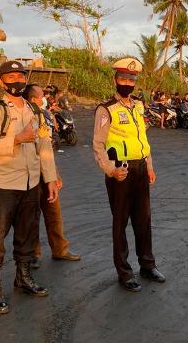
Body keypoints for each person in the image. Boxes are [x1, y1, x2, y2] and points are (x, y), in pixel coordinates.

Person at [0, 61, 59, 315]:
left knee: (28, 234)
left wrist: (50, 179)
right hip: (1, 184)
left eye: (20, 76)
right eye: (10, 77)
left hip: (30, 183)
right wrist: (17, 139)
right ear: (1, 82)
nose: (16, 81)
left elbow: (44, 147)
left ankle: (23, 278)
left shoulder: (36, 111)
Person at [92, 57, 165, 292]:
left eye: (131, 79)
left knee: (143, 220)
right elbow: (98, 144)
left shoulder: (138, 106)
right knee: (120, 222)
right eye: (123, 78)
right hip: (120, 170)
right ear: (115, 80)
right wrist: (110, 170)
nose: (127, 82)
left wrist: (149, 165)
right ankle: (124, 272)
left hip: (141, 169)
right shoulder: (106, 110)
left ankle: (147, 265)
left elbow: (143, 139)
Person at [22, 84, 80, 268]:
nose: (44, 98)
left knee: (54, 214)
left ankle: (60, 249)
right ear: (32, 99)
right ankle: (33, 254)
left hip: (45, 173)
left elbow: (46, 148)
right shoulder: (22, 117)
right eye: (41, 96)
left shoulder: (42, 115)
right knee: (30, 217)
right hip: (28, 174)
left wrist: (55, 174)